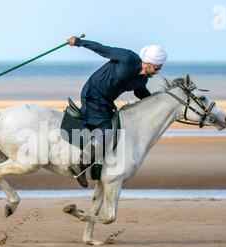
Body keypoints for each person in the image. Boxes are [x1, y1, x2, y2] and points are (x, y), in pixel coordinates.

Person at [67, 36, 168, 187]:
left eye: (159, 68)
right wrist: (79, 42)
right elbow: (102, 49)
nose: (157, 72)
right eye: (156, 68)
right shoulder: (128, 58)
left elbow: (140, 93)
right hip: (92, 94)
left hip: (106, 102)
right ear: (148, 62)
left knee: (118, 129)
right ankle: (79, 166)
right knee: (106, 131)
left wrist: (157, 103)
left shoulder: (142, 80)